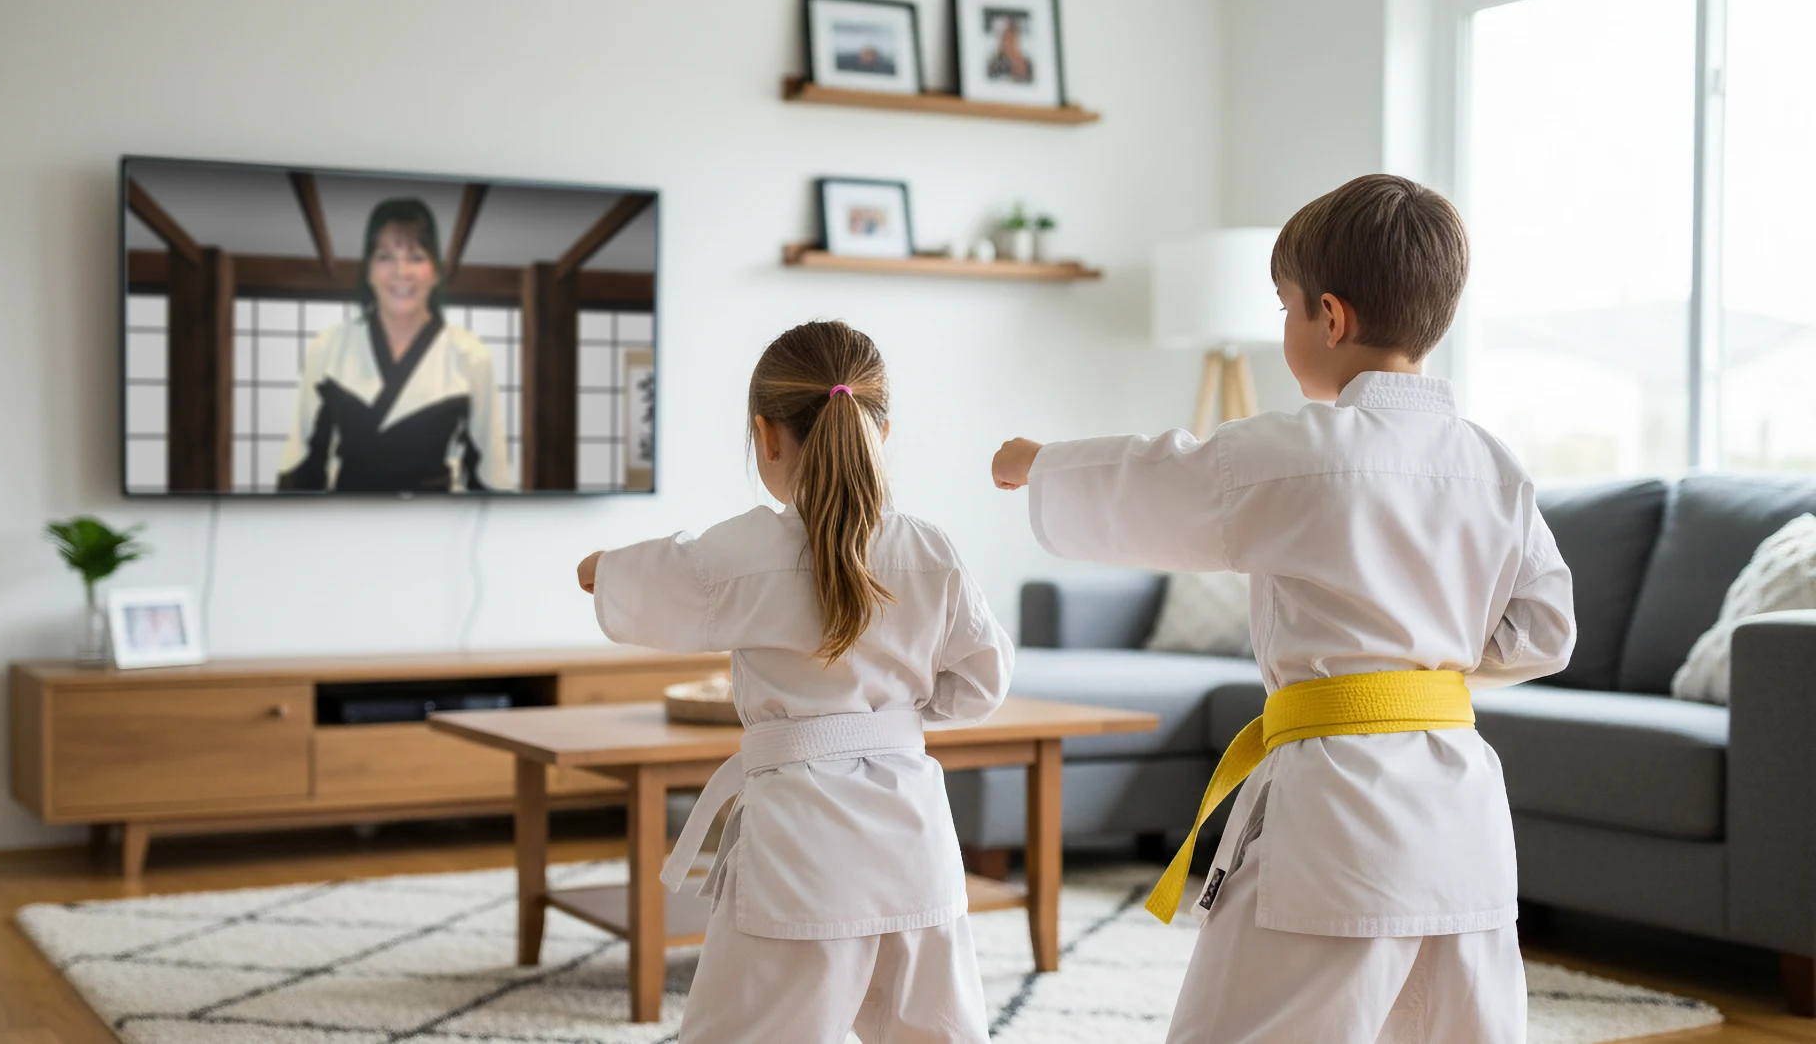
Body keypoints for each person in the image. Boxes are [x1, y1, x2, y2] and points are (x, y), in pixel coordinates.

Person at [991, 174, 1576, 1044]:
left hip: (1341, 810)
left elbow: (1166, 474)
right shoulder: (1493, 465)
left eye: (1286, 308)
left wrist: (1039, 463)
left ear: (1329, 319)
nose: (1286, 329)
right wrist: (1426, 664)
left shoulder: (1298, 451)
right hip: (1462, 809)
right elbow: (1544, 629)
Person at [577, 320, 1012, 1044]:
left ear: (766, 435)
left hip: (803, 847)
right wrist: (897, 713)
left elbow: (634, 585)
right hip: (914, 842)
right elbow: (983, 679)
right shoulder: (932, 550)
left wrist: (596, 566)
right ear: (883, 429)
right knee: (935, 1029)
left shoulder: (744, 552)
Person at [277, 198, 513, 492]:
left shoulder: (470, 355)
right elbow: (301, 459)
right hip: (348, 520)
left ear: (436, 272)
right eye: (385, 256)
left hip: (437, 523)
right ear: (368, 270)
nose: (401, 272)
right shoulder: (329, 347)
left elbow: (490, 469)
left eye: (416, 257)